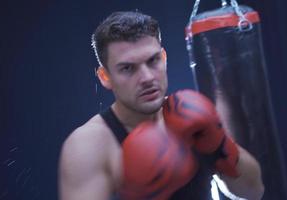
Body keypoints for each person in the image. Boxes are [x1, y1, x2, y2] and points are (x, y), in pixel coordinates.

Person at [58, 11, 264, 200]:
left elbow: (254, 191)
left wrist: (219, 146)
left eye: (153, 60)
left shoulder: (191, 115)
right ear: (105, 77)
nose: (147, 77)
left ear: (164, 58)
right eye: (128, 68)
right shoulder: (89, 145)